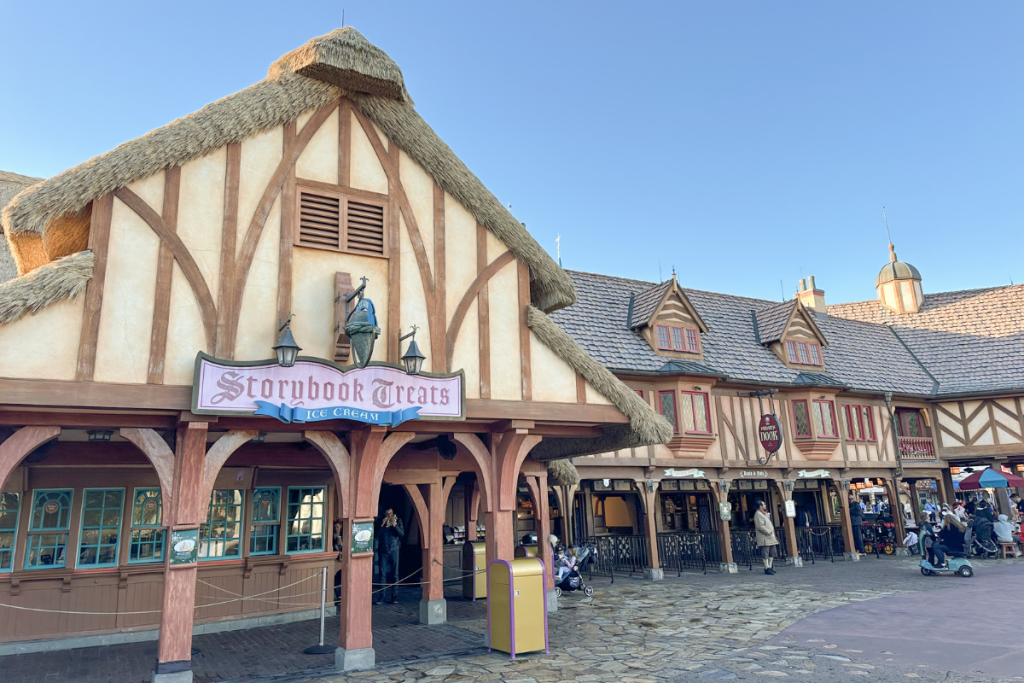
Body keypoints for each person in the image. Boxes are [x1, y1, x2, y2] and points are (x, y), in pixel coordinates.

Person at [378, 508, 404, 604]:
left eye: (391, 513)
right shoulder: (380, 521)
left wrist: (395, 525)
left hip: (394, 549)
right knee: (382, 575)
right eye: (387, 514)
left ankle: (394, 596)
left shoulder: (398, 520)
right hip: (383, 550)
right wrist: (381, 525)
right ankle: (382, 596)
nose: (389, 516)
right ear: (384, 514)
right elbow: (376, 535)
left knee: (395, 574)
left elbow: (402, 534)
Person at [753, 500, 779, 575]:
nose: (765, 505)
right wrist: (768, 531)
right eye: (763, 504)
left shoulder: (764, 514)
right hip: (765, 537)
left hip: (771, 537)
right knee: (765, 553)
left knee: (772, 552)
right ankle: (766, 567)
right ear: (760, 506)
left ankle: (770, 567)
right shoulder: (758, 514)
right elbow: (760, 526)